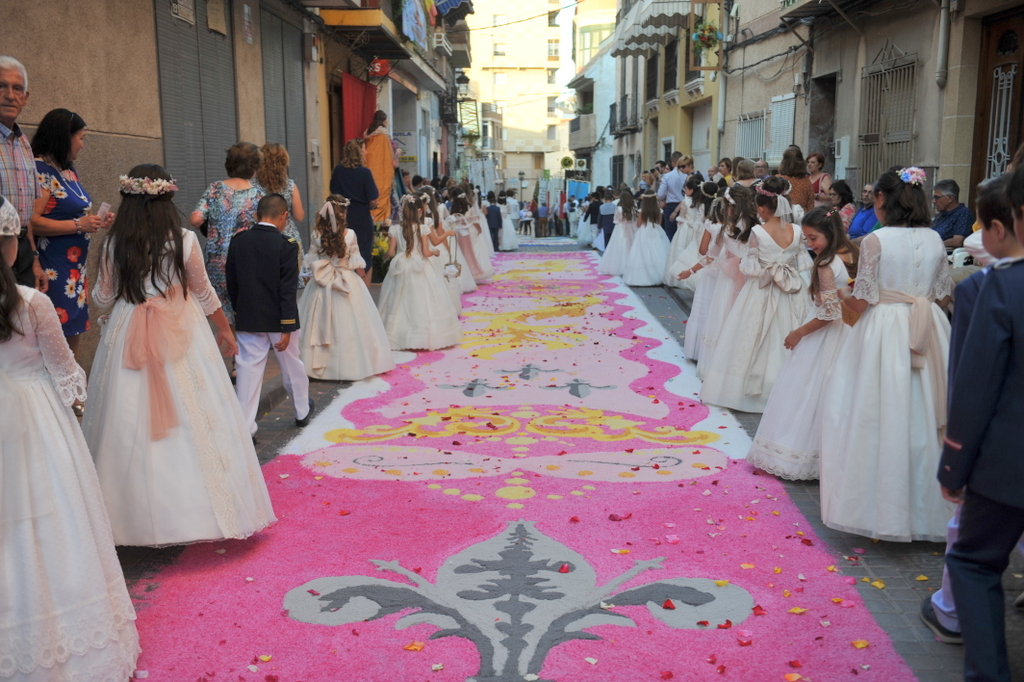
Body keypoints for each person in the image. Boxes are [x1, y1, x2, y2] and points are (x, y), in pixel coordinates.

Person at [85, 164, 276, 546]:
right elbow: (204, 292)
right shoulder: (184, 239)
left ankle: (124, 518)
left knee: (125, 415)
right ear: (166, 198)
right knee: (194, 409)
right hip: (180, 326)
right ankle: (198, 513)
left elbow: (103, 299)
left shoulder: (113, 243)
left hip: (128, 326)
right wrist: (225, 330)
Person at [0, 194, 141, 681]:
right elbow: (65, 372)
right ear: (11, 247)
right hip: (35, 418)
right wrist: (72, 399)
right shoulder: (32, 303)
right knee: (50, 513)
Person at [819, 167, 954, 542]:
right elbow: (944, 295)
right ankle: (930, 511)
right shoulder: (935, 238)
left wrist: (842, 294)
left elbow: (862, 301)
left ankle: (880, 509)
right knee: (926, 413)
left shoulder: (876, 240)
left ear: (880, 199)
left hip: (885, 330)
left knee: (878, 412)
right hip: (929, 325)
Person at [920, 174, 1024, 649]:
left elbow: (973, 388)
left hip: (1006, 461)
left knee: (973, 561)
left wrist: (954, 465)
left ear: (1000, 228)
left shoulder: (990, 289)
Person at [746, 206, 857, 479]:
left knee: (808, 391)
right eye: (806, 239)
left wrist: (800, 332)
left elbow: (829, 313)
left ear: (829, 233)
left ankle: (800, 452)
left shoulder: (826, 265)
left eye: (813, 238)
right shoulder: (850, 254)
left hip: (825, 334)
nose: (809, 244)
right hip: (849, 330)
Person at [699, 177, 812, 413]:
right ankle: (790, 390)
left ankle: (750, 392)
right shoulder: (797, 230)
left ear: (761, 207)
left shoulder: (758, 232)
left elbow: (749, 268)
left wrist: (767, 269)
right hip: (791, 288)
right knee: (787, 334)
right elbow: (803, 263)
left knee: (752, 337)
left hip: (761, 288)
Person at [227, 193, 312, 437]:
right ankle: (301, 411)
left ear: (256, 215)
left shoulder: (239, 241)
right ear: (284, 215)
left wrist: (239, 310)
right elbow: (287, 290)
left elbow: (232, 282)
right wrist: (287, 326)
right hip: (279, 318)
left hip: (249, 316)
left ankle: (245, 429)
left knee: (247, 372)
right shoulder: (286, 245)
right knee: (291, 365)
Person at [30, 109, 112, 359]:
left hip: (76, 269)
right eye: (80, 138)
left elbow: (70, 213)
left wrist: (96, 221)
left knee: (73, 329)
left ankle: (72, 384)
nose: (83, 145)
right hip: (53, 268)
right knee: (56, 336)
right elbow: (32, 222)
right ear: (64, 138)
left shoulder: (68, 171)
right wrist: (78, 225)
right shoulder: (40, 170)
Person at [298, 195, 395, 381]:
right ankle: (351, 365)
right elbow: (356, 263)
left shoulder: (317, 234)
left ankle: (316, 364)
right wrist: (363, 279)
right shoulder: (350, 234)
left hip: (322, 283)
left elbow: (311, 261)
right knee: (350, 324)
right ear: (343, 213)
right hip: (346, 281)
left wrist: (309, 280)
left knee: (318, 322)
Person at [190, 141, 264, 324]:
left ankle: (227, 337)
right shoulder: (258, 195)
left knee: (222, 309)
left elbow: (196, 219)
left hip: (216, 259)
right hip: (245, 258)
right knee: (243, 305)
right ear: (254, 167)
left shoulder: (215, 189)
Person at [379, 194, 462, 350]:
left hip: (400, 265)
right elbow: (426, 252)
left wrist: (384, 257)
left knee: (398, 299)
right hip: (420, 265)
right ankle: (423, 336)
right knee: (422, 300)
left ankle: (397, 335)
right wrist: (436, 251)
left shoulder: (394, 228)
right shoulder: (422, 228)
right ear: (418, 211)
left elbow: (390, 252)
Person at [693, 185, 756, 380]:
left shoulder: (749, 229)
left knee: (729, 317)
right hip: (740, 278)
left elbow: (710, 255)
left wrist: (691, 270)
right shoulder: (736, 228)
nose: (725, 209)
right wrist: (691, 270)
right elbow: (711, 255)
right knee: (733, 317)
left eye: (727, 205)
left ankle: (725, 368)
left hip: (737, 280)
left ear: (734, 207)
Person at [0, 56, 45, 291]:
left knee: (22, 313)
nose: (10, 95)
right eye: (1, 86)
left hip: (23, 252)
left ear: (25, 98)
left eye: (17, 88)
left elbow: (25, 214)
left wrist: (34, 259)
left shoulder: (24, 144)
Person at [677, 193, 727, 363]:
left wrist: (690, 271)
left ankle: (698, 349)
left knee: (705, 310)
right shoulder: (733, 228)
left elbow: (703, 250)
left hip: (711, 272)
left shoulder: (711, 226)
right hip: (727, 273)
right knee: (721, 309)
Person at [254, 142, 306, 284]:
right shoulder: (290, 185)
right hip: (287, 237)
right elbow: (299, 216)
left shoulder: (253, 186)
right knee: (288, 283)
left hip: (261, 237)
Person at [330, 139, 380, 287]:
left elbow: (333, 190)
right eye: (364, 149)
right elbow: (373, 198)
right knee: (363, 253)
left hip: (341, 215)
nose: (366, 152)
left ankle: (343, 285)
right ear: (358, 152)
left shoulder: (338, 170)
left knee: (342, 252)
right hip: (361, 217)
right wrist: (373, 204)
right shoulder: (365, 172)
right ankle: (363, 290)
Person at [667, 180, 718, 292]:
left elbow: (699, 221)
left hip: (701, 231)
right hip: (712, 232)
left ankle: (696, 279)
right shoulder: (716, 205)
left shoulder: (702, 205)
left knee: (698, 254)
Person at [622, 191, 670, 286]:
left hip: (644, 231)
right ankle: (659, 274)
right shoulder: (659, 210)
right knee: (658, 251)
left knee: (643, 253)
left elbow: (639, 224)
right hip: (656, 230)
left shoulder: (641, 211)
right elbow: (659, 223)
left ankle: (644, 277)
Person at [445, 188, 487, 288]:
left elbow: (451, 221)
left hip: (456, 232)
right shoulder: (468, 206)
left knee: (460, 254)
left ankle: (462, 276)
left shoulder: (453, 207)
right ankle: (472, 274)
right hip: (467, 232)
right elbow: (474, 219)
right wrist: (478, 228)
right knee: (470, 254)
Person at [364, 110, 396, 223]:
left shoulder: (369, 134)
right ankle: (380, 221)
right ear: (384, 121)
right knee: (382, 193)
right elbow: (388, 155)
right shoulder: (383, 135)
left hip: (369, 167)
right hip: (382, 170)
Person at [597, 190, 637, 276]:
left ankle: (620, 265)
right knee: (631, 245)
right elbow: (635, 220)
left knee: (619, 247)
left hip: (620, 229)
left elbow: (616, 220)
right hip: (632, 229)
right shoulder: (634, 209)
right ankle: (632, 265)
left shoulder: (619, 209)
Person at [932, 179, 975, 249]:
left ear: (950, 198)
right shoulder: (941, 214)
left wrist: (932, 244)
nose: (933, 201)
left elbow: (957, 241)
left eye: (937, 197)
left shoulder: (963, 213)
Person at [657, 155, 688, 240]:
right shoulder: (687, 175)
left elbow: (660, 194)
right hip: (685, 205)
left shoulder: (667, 176)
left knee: (670, 233)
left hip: (671, 205)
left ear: (673, 163)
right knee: (682, 233)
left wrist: (665, 196)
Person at [778, 146, 815, 214]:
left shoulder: (777, 180)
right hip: (801, 218)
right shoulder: (806, 182)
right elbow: (810, 207)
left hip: (781, 218)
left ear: (784, 162)